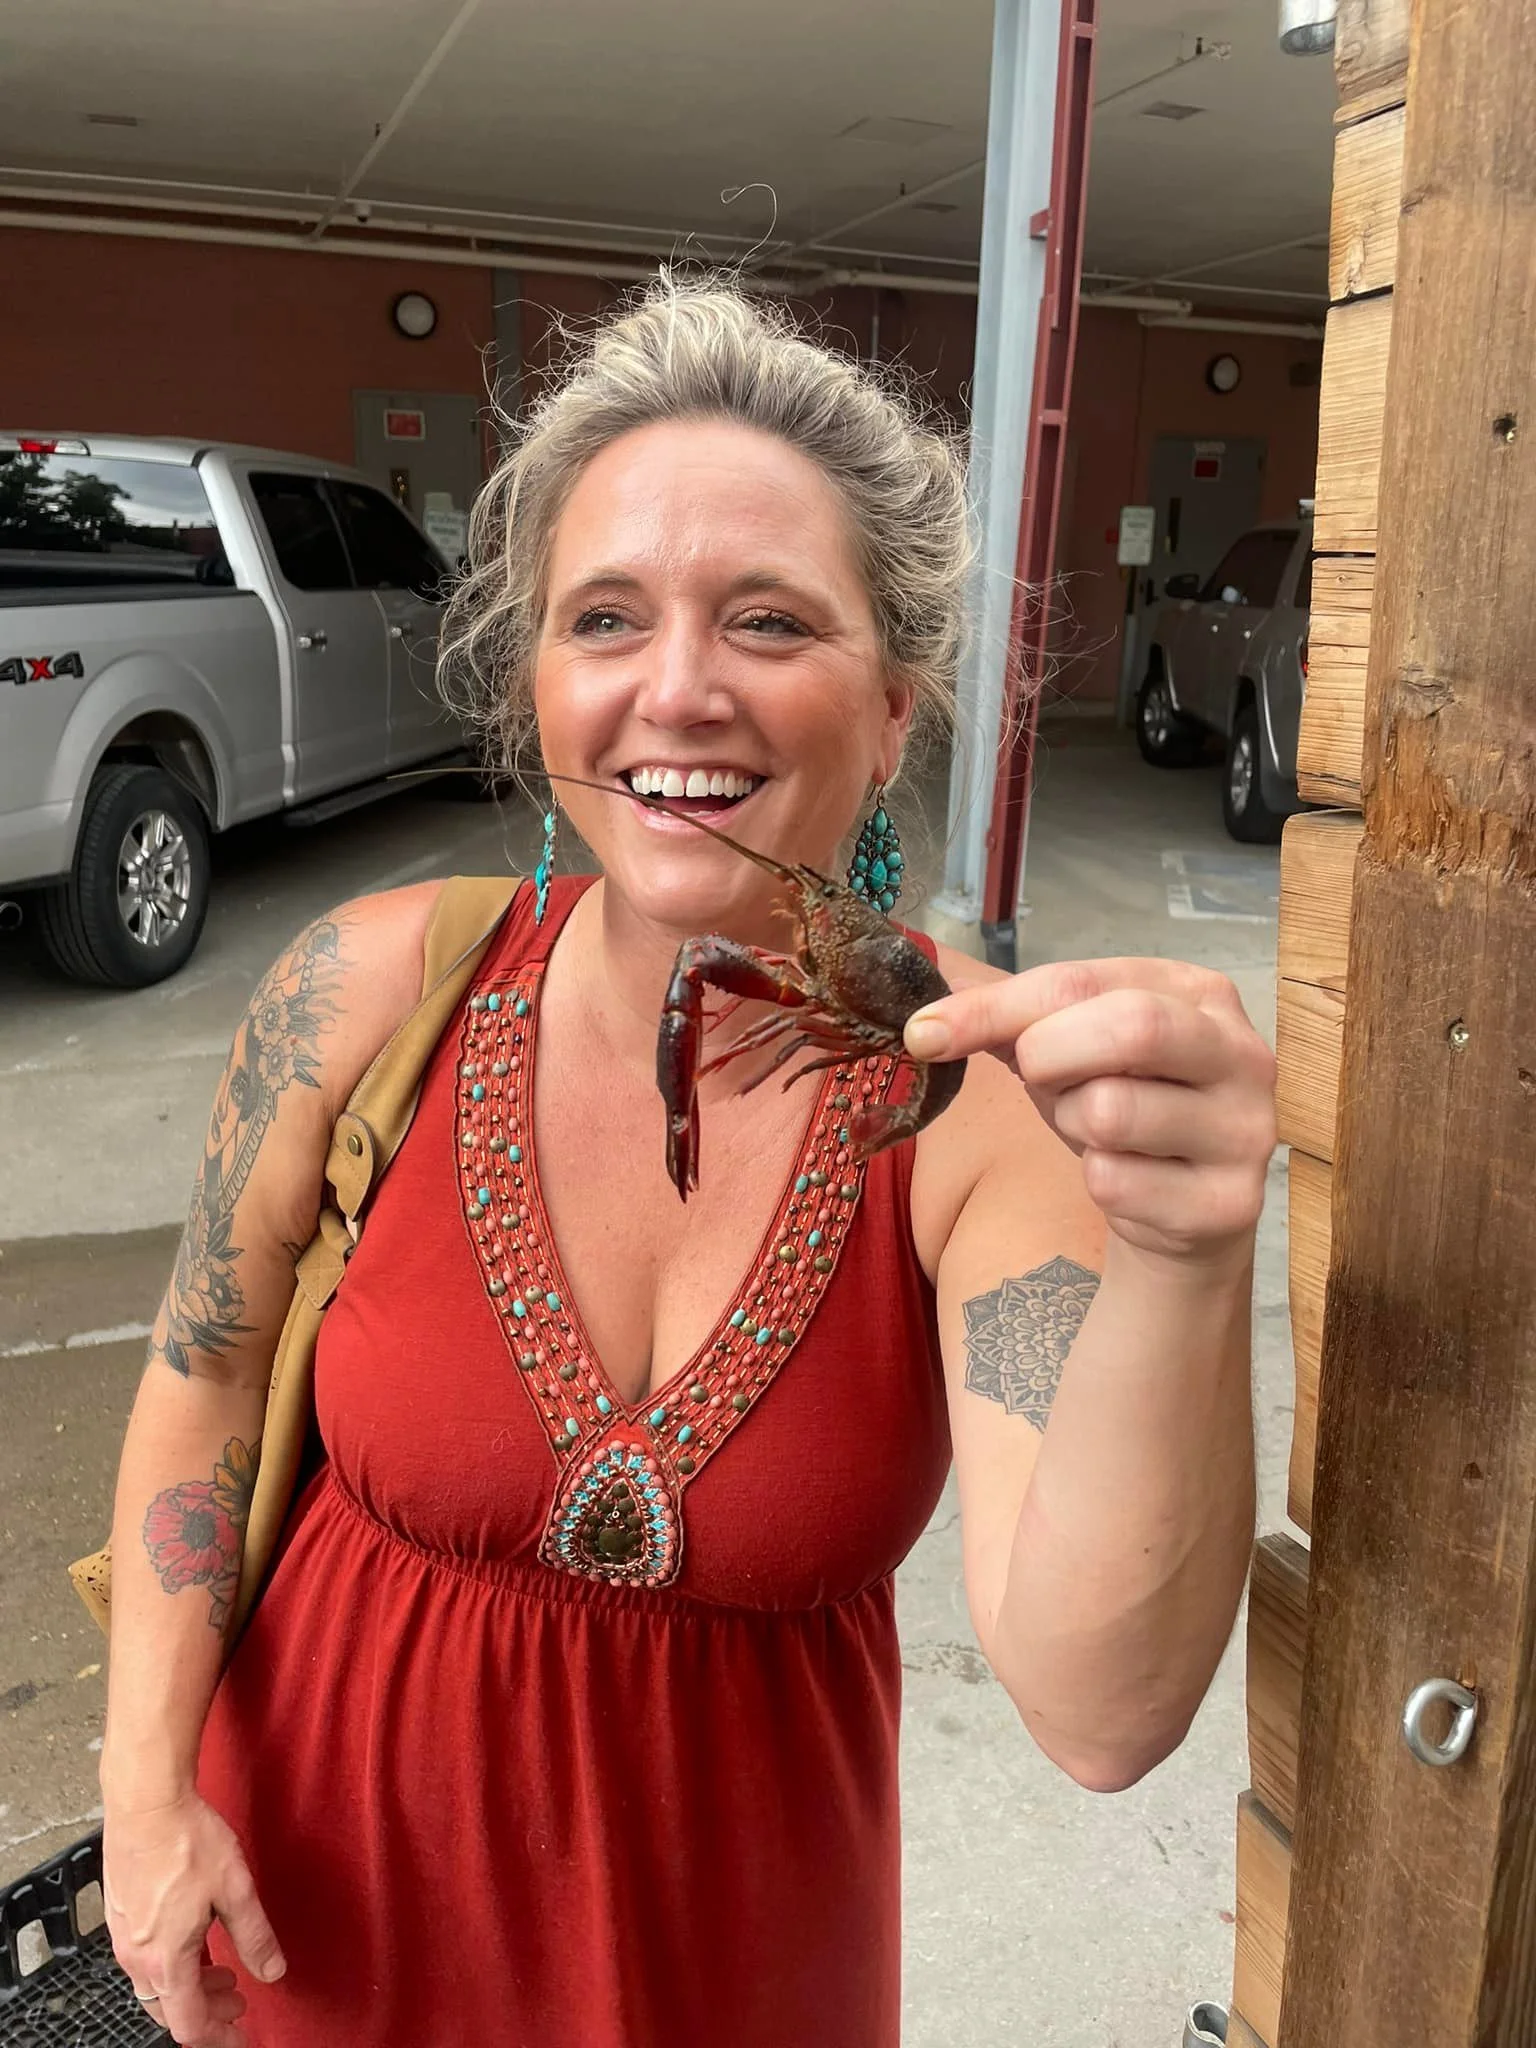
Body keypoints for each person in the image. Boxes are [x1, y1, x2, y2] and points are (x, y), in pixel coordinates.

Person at [100, 276, 1274, 2048]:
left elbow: (1101, 1715)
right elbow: (199, 1394)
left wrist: (1187, 1258)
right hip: (312, 1952)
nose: (679, 689)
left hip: (733, 1981)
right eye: (607, 618)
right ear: (538, 682)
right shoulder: (358, 996)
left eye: (771, 622)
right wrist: (143, 1804)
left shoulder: (975, 1102)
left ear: (893, 708)